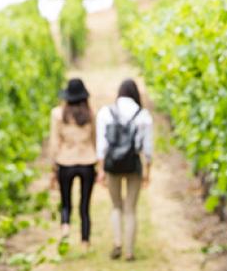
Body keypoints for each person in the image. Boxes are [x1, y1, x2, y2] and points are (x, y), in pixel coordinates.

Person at [96, 78, 153, 260]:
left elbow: (101, 144)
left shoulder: (106, 112)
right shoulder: (143, 115)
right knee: (131, 208)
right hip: (133, 163)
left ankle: (117, 242)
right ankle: (129, 250)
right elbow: (148, 149)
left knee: (116, 206)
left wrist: (101, 169)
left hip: (113, 163)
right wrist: (147, 172)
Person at [48, 77, 100, 250]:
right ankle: (85, 242)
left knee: (66, 202)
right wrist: (98, 164)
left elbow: (54, 143)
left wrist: (53, 168)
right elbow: (95, 140)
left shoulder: (58, 114)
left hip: (65, 160)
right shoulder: (90, 114)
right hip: (87, 161)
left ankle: (65, 229)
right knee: (85, 205)